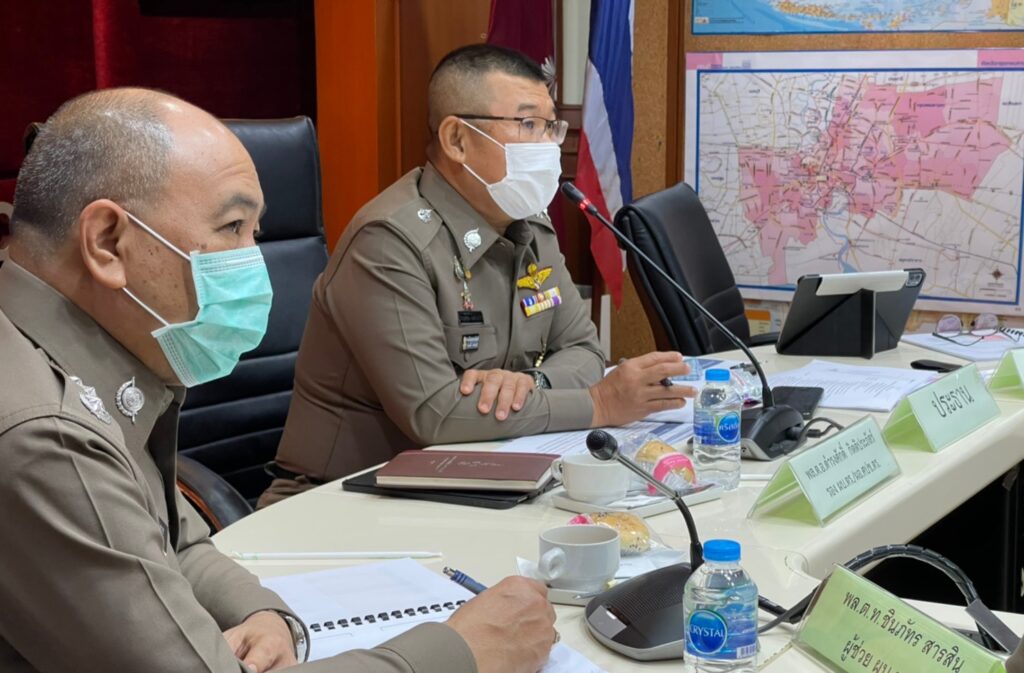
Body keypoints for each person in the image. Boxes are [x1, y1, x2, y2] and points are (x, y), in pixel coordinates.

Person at [0, 87, 556, 673]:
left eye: (256, 233)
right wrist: (462, 653)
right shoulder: (46, 439)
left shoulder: (79, 354)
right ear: (108, 242)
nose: (256, 262)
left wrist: (259, 610)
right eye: (232, 227)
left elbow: (172, 541)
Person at [261, 44, 693, 506]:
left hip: (478, 482)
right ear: (457, 140)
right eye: (527, 124)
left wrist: (534, 383)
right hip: (344, 498)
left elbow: (584, 349)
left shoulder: (529, 225)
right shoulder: (388, 242)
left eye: (551, 127)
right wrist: (599, 404)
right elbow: (436, 413)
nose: (548, 146)